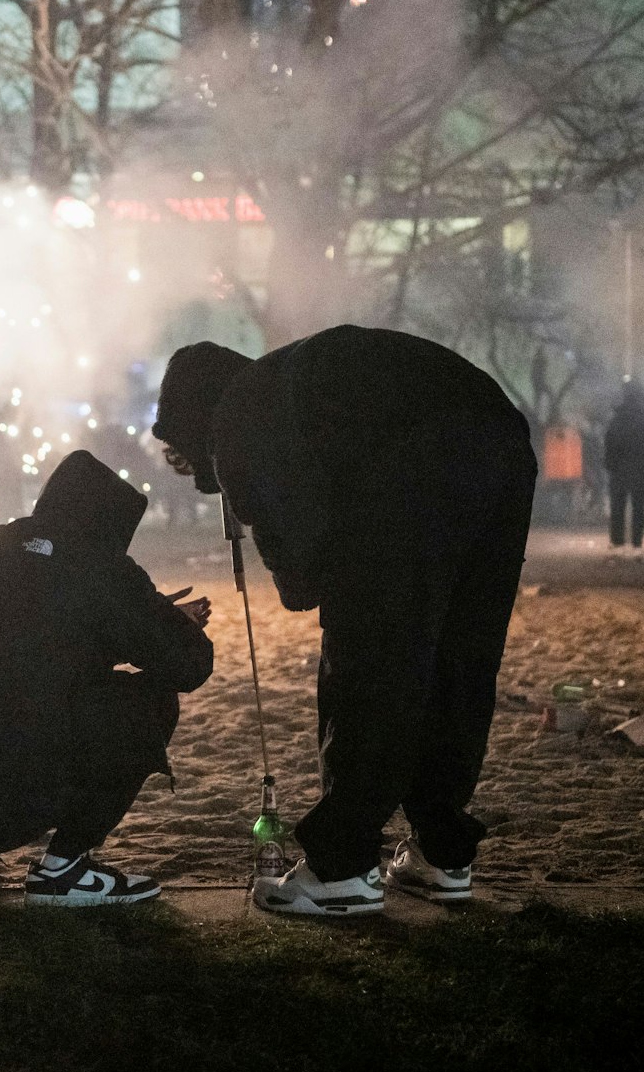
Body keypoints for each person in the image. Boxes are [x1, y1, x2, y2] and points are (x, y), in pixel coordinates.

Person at [151, 327, 536, 917]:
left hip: (413, 472)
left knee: (371, 667)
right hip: (501, 442)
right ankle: (443, 852)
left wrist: (334, 598)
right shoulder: (285, 386)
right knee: (460, 657)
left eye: (181, 448)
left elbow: (301, 571)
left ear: (196, 414)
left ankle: (342, 870)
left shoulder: (240, 416)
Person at [0, 450, 213, 907]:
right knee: (148, 700)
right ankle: (64, 869)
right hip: (1, 805)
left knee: (4, 693)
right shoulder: (100, 565)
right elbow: (189, 665)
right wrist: (166, 621)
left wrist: (141, 620)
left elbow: (34, 644)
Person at [603, 379, 644, 558]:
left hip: (619, 466)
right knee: (638, 506)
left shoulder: (618, 414)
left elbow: (610, 439)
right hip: (639, 467)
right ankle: (637, 545)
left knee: (618, 505)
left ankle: (617, 542)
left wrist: (609, 463)